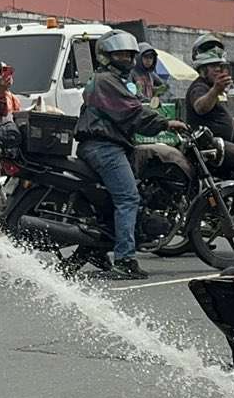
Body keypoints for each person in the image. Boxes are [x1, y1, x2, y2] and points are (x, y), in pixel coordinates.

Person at [74, 29, 186, 281]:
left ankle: (98, 248)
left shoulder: (115, 81)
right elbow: (134, 113)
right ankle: (124, 260)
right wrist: (166, 124)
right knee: (127, 198)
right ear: (106, 56)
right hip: (105, 147)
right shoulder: (105, 80)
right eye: (119, 54)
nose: (125, 58)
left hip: (107, 145)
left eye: (128, 54)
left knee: (115, 198)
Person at [182, 35, 234, 183]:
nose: (218, 69)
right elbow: (200, 107)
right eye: (213, 66)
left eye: (219, 66)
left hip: (218, 143)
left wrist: (233, 121)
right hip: (208, 145)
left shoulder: (210, 87)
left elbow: (212, 114)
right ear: (202, 69)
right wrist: (216, 89)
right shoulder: (199, 87)